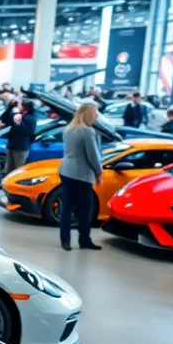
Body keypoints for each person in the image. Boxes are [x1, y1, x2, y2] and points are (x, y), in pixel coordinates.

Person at [59, 101, 104, 251]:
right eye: (95, 113)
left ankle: (65, 241)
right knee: (85, 209)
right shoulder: (87, 131)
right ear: (88, 113)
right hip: (81, 174)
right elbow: (92, 156)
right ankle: (84, 240)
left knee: (67, 207)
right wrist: (99, 172)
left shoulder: (69, 129)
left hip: (66, 170)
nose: (97, 116)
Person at [3, 99, 37, 174]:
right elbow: (4, 119)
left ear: (26, 108)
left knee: (18, 171)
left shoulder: (30, 118)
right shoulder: (19, 116)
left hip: (21, 148)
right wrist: (10, 107)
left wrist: (16, 113)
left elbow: (21, 128)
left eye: (20, 105)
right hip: (11, 146)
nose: (18, 107)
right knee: (8, 171)